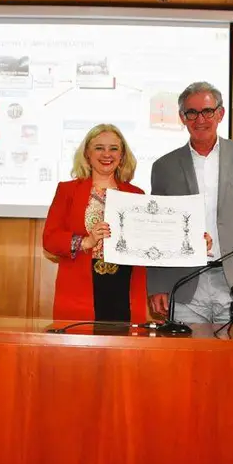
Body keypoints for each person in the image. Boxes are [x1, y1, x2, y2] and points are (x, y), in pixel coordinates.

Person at [147, 82, 233, 325]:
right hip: (185, 284)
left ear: (220, 113)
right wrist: (157, 285)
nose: (200, 119)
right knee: (187, 362)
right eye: (192, 113)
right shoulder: (164, 167)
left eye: (207, 111)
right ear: (182, 118)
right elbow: (157, 233)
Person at [43, 124, 148, 323]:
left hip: (125, 284)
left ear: (122, 156)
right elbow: (50, 239)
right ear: (87, 154)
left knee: (124, 351)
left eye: (114, 148)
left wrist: (192, 240)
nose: (106, 154)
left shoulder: (137, 194)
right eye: (99, 148)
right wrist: (85, 242)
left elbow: (149, 239)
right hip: (81, 285)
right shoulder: (67, 191)